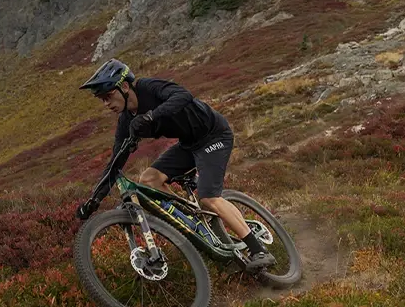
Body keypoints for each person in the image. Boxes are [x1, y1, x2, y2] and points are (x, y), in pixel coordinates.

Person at [77, 58, 276, 270]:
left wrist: (151, 116)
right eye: (102, 99)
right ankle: (194, 221)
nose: (106, 104)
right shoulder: (126, 121)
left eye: (108, 96)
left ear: (124, 86)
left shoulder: (148, 87)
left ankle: (259, 250)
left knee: (209, 198)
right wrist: (94, 199)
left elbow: (183, 96)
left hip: (214, 135)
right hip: (188, 144)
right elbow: (116, 162)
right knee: (149, 180)